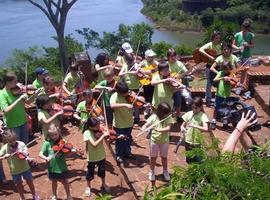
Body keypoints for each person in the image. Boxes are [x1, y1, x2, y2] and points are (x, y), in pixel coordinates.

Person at [0, 129, 40, 200]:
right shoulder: (5, 147)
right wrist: (3, 156)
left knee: (30, 182)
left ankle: (34, 195)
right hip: (15, 170)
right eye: (10, 141)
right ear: (6, 141)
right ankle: (22, 197)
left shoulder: (21, 144)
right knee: (19, 185)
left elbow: (26, 153)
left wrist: (22, 151)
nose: (13, 142)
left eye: (14, 140)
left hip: (25, 168)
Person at [0, 73, 38, 143]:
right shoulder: (2, 94)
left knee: (24, 144)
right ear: (8, 82)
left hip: (23, 121)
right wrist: (19, 99)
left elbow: (28, 102)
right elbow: (6, 110)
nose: (17, 83)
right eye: (15, 81)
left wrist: (34, 95)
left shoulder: (17, 90)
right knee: (16, 146)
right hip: (12, 124)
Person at [39, 123, 73, 200]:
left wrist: (69, 151)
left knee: (65, 182)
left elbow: (67, 154)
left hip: (62, 167)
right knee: (54, 182)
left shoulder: (63, 142)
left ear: (58, 133)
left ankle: (68, 195)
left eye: (56, 134)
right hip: (52, 167)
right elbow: (40, 154)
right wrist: (46, 157)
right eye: (52, 135)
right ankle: (54, 195)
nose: (54, 137)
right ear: (49, 135)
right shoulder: (47, 143)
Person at [141, 102, 174, 182]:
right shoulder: (153, 117)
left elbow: (168, 128)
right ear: (160, 112)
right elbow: (146, 124)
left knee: (164, 157)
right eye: (166, 113)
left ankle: (165, 171)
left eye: (168, 113)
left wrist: (159, 130)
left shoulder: (169, 118)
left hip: (164, 141)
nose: (167, 115)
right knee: (153, 157)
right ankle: (151, 171)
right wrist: (144, 127)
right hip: (154, 141)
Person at [82, 117, 110, 196]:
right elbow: (94, 144)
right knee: (90, 172)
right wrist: (103, 135)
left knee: (102, 171)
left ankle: (103, 184)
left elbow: (107, 136)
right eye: (97, 126)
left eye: (99, 125)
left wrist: (107, 134)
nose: (99, 127)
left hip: (101, 155)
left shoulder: (100, 129)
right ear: (90, 126)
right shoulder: (87, 133)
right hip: (92, 157)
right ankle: (88, 186)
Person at [110, 80, 134, 163]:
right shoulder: (114, 96)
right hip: (119, 123)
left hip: (129, 122)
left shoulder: (129, 95)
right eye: (125, 93)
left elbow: (136, 102)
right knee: (119, 140)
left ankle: (128, 152)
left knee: (128, 139)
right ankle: (119, 155)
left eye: (127, 91)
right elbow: (112, 105)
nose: (127, 94)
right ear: (119, 92)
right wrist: (125, 104)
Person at [180, 97, 210, 164]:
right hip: (188, 140)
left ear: (201, 107)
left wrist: (194, 126)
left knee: (198, 160)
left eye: (196, 108)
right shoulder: (189, 113)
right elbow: (182, 125)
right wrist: (182, 128)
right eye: (193, 107)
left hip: (197, 142)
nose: (194, 109)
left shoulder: (203, 115)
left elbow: (206, 128)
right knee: (189, 160)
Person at [199, 31, 222, 106]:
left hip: (218, 67)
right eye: (216, 38)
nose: (218, 39)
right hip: (209, 67)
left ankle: (218, 98)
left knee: (219, 83)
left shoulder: (221, 45)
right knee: (209, 83)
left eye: (219, 38)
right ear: (213, 38)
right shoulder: (209, 45)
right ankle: (208, 99)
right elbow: (200, 50)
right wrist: (209, 57)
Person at [211, 62, 236, 130]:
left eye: (227, 69)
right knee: (216, 108)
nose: (226, 71)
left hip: (227, 95)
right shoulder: (221, 73)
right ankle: (213, 121)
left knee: (227, 110)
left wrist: (232, 81)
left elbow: (234, 83)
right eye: (224, 69)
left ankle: (225, 123)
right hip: (219, 94)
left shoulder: (232, 74)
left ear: (230, 68)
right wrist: (222, 78)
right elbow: (214, 79)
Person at [167, 48, 190, 120]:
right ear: (168, 57)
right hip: (168, 86)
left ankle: (178, 115)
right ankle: (168, 116)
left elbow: (186, 72)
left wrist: (179, 76)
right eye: (171, 56)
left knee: (178, 100)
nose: (173, 57)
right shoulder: (166, 64)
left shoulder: (179, 63)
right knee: (168, 101)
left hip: (177, 86)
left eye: (174, 55)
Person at [119, 53, 141, 126]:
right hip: (127, 88)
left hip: (135, 87)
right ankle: (129, 119)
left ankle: (137, 119)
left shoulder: (136, 65)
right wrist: (128, 72)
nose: (130, 64)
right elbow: (120, 74)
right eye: (129, 62)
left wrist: (137, 73)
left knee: (136, 104)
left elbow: (140, 74)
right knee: (128, 104)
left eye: (131, 62)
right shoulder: (125, 66)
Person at [139, 49, 159, 117]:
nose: (152, 58)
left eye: (153, 56)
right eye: (150, 57)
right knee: (147, 95)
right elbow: (138, 68)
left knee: (154, 95)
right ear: (146, 57)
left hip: (154, 81)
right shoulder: (143, 63)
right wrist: (144, 72)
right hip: (146, 82)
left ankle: (153, 109)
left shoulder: (155, 63)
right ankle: (147, 109)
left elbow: (160, 68)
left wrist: (153, 71)